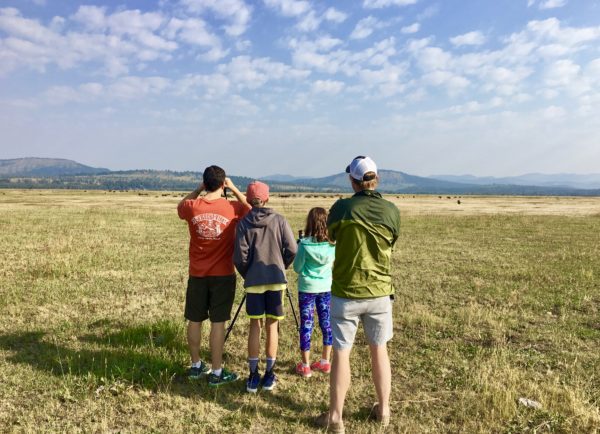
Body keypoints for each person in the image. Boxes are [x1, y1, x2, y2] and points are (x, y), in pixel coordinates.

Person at [316, 156, 400, 433]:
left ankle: (336, 417)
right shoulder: (391, 211)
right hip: (379, 292)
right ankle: (384, 410)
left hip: (346, 292)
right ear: (376, 179)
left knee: (341, 354)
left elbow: (330, 236)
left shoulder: (342, 208)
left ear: (352, 180)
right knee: (380, 351)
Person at [177, 165, 250, 387]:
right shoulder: (232, 208)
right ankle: (217, 371)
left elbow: (180, 207)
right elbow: (251, 207)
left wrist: (198, 190)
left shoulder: (193, 206)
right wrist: (234, 188)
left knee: (195, 319)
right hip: (223, 274)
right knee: (218, 323)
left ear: (204, 183)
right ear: (222, 184)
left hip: (197, 273)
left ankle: (196, 365)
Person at [233, 181, 297, 393]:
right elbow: (292, 249)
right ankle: (270, 373)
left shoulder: (243, 223)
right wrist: (281, 266)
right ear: (267, 198)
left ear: (248, 199)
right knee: (272, 326)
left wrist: (248, 273)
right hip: (276, 278)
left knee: (254, 325)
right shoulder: (279, 220)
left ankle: (253, 374)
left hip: (253, 281)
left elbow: (239, 258)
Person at [293, 207, 335, 378]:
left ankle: (305, 365)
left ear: (309, 222)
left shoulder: (304, 244)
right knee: (327, 324)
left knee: (306, 324)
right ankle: (325, 361)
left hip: (307, 289)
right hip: (326, 287)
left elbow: (297, 268)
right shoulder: (332, 244)